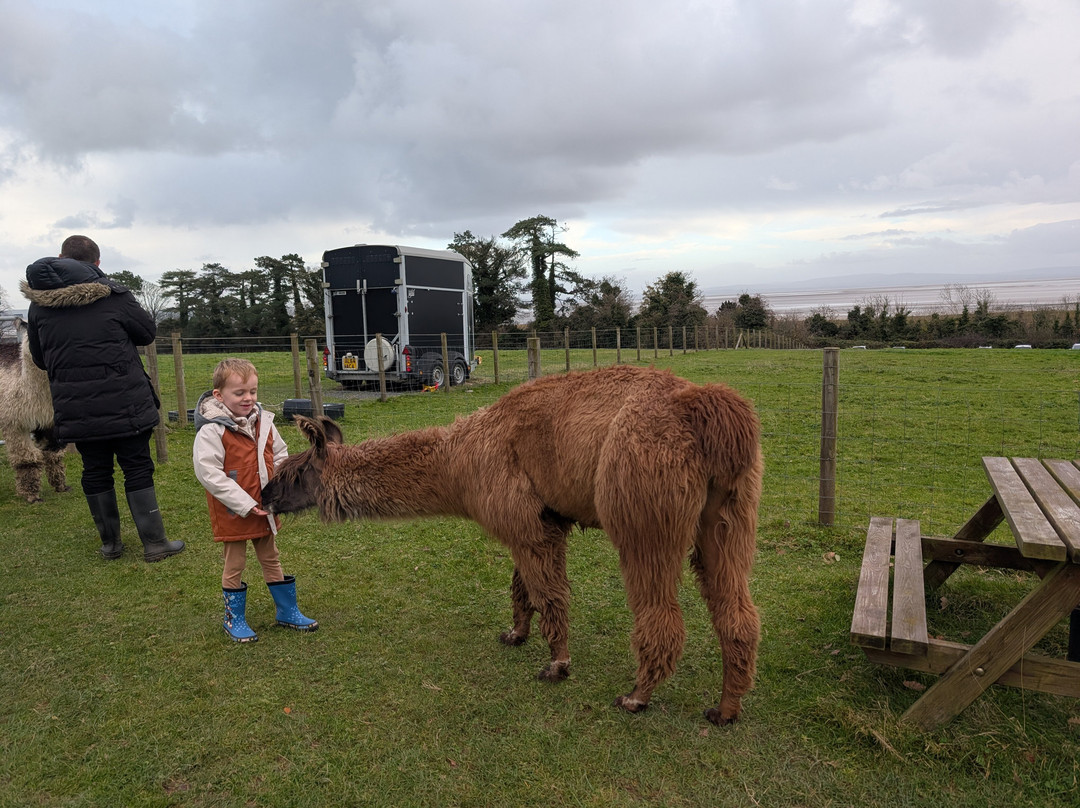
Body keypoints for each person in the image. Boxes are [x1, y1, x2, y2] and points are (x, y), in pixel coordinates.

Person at [23, 235, 185, 562]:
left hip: (76, 406)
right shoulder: (114, 295)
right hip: (126, 401)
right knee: (136, 466)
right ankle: (154, 543)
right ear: (96, 263)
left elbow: (39, 358)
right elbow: (146, 333)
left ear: (60, 257)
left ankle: (111, 545)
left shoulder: (39, 305)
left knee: (95, 469)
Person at [193, 357, 318, 642]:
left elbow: (281, 454)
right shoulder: (212, 430)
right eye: (239, 393)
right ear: (219, 395)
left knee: (271, 557)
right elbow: (208, 473)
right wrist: (245, 504)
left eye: (253, 391)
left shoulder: (264, 421)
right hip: (234, 511)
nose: (248, 398)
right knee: (234, 563)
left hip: (266, 505)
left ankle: (287, 611)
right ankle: (233, 618)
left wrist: (282, 489)